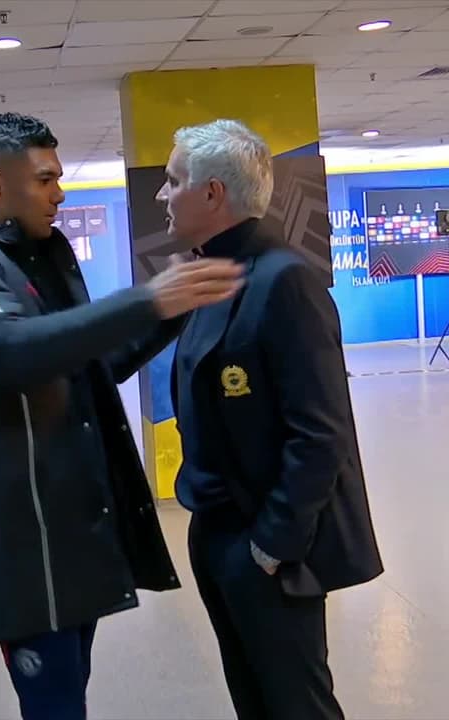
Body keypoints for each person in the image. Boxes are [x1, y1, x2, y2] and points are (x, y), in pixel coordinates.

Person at [0, 112, 245, 719]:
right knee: (54, 704)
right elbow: (5, 349)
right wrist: (144, 301)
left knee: (70, 689)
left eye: (58, 178)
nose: (59, 194)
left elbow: (90, 364)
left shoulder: (41, 257)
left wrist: (170, 310)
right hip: (24, 544)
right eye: (45, 180)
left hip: (70, 529)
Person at [158, 119, 384, 720]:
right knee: (254, 699)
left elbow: (320, 432)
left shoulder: (285, 281)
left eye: (173, 181)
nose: (162, 194)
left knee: (296, 704)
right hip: (215, 529)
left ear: (213, 193)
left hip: (265, 543)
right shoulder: (208, 278)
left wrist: (272, 544)